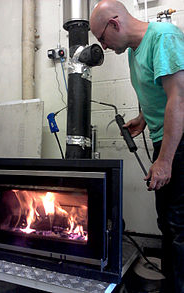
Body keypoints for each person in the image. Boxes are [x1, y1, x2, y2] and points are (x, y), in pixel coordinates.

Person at [90, 1, 184, 292]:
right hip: (164, 140)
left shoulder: (164, 37)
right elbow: (158, 92)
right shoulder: (134, 52)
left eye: (102, 38)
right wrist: (144, 118)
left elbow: (179, 99)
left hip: (179, 143)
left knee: (179, 225)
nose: (103, 47)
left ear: (115, 24)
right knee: (166, 222)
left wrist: (166, 160)